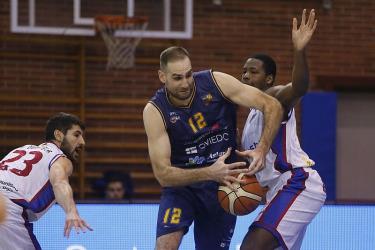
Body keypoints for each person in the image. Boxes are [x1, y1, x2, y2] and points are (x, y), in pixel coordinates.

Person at [143, 46, 283, 250]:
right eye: (177, 78)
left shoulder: (216, 82)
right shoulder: (155, 111)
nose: (185, 83)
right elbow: (163, 174)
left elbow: (273, 106)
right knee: (165, 247)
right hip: (183, 187)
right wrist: (209, 172)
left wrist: (262, 148)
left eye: (188, 75)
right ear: (162, 77)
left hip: (224, 185)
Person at [238, 9, 326, 250]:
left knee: (250, 247)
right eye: (243, 72)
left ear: (269, 79)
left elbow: (299, 88)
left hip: (298, 182)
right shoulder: (248, 119)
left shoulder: (274, 97)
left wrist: (299, 50)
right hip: (276, 191)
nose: (245, 76)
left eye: (253, 72)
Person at [0, 112, 93, 250]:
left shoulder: (22, 149)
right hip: (7, 209)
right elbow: (59, 181)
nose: (82, 142)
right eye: (76, 135)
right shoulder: (60, 158)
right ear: (59, 135)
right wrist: (71, 211)